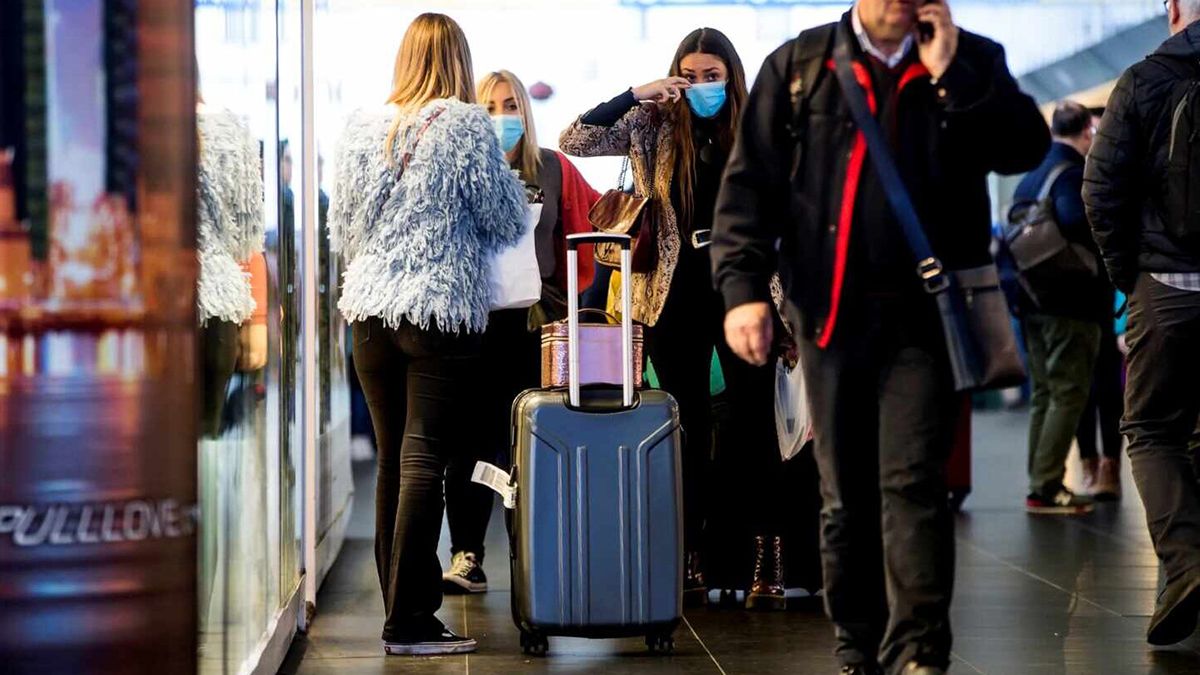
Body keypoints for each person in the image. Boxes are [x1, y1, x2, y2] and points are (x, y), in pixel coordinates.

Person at [712, 0, 1047, 672]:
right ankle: (858, 645)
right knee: (845, 495)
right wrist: (742, 290)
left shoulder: (971, 59)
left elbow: (1023, 146)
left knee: (914, 483)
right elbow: (749, 188)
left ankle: (919, 650)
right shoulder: (801, 65)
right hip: (829, 319)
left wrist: (952, 77)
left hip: (927, 321)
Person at [560, 27, 792, 610]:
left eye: (711, 76)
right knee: (684, 426)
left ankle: (765, 559)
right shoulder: (653, 124)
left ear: (731, 77)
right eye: (689, 76)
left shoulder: (757, 127)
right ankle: (689, 555)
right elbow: (574, 139)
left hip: (744, 289)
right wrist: (639, 93)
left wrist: (790, 312)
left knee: (753, 426)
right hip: (672, 292)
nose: (701, 87)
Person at [328, 13, 526, 656]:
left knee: (393, 460)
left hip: (369, 316)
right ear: (459, 62)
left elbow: (344, 229)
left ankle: (399, 610)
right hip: (437, 313)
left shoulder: (361, 129)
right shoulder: (466, 125)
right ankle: (410, 620)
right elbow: (504, 221)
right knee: (424, 460)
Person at [441, 69, 600, 595]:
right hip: (473, 321)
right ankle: (467, 553)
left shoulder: (552, 168)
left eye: (510, 105)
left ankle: (533, 555)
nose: (502, 117)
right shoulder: (461, 168)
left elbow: (592, 222)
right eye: (489, 107)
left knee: (530, 441)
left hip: (534, 324)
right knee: (470, 441)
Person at [1083, 0, 1200, 647]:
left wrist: (1130, 276)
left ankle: (1186, 561)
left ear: (1174, 9)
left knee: (1153, 428)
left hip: (1168, 285)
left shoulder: (1143, 80)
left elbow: (1101, 190)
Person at [1011, 101, 1108, 515]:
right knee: (1068, 392)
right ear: (1087, 132)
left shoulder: (1032, 175)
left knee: (1044, 393)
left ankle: (1039, 479)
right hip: (1070, 301)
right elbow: (1072, 217)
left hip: (1031, 298)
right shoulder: (1070, 173)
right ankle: (1047, 486)